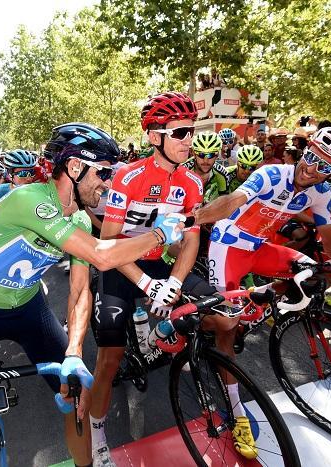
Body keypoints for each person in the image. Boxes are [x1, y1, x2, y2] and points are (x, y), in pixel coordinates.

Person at [0, 122, 186, 467]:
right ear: (75, 168)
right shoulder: (31, 200)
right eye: (103, 173)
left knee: (77, 397)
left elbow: (79, 291)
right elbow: (103, 254)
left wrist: (73, 351)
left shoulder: (83, 222)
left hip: (29, 310)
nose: (108, 183)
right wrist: (158, 236)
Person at [191, 128, 331, 452]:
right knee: (225, 327)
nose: (313, 168)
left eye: (325, 166)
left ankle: (260, 301)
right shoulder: (272, 174)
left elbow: (330, 243)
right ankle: (236, 411)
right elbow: (233, 200)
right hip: (228, 246)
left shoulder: (319, 194)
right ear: (306, 150)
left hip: (260, 249)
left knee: (313, 272)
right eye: (313, 156)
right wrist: (196, 217)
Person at [89, 92, 208, 465]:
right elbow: (108, 242)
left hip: (158, 263)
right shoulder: (128, 176)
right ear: (155, 136)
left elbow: (191, 240)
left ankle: (161, 337)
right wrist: (146, 285)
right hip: (122, 267)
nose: (189, 140)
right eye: (181, 132)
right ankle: (95, 435)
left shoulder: (192, 182)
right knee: (109, 360)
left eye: (192, 131)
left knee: (219, 314)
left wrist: (172, 282)